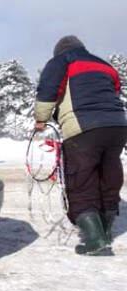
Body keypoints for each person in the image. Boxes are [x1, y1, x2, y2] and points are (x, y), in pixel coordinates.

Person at [34, 35, 127, 255]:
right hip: (117, 126)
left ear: (60, 50)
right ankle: (105, 228)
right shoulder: (104, 64)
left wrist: (41, 119)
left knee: (81, 179)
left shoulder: (62, 61)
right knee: (109, 174)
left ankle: (94, 239)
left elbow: (48, 90)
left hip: (84, 128)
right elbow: (113, 91)